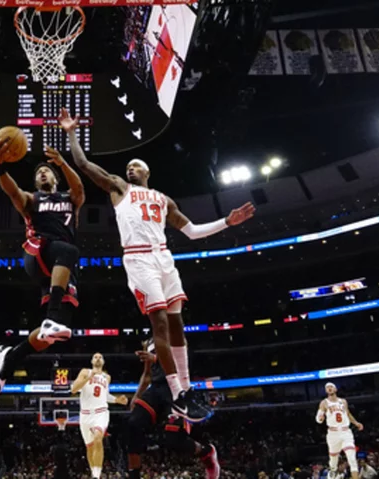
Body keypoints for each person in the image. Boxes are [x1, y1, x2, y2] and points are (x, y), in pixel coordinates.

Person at [59, 108, 254, 421]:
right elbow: (83, 165)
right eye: (128, 167)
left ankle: (187, 389)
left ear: (147, 172)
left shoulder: (164, 200)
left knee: (177, 324)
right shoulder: (120, 188)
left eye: (135, 166)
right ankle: (177, 393)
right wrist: (71, 133)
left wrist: (227, 222)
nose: (130, 169)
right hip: (138, 259)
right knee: (160, 323)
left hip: (164, 257)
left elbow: (191, 231)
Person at [0, 142, 85, 394]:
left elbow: (79, 188)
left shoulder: (69, 199)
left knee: (51, 336)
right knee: (70, 251)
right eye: (38, 172)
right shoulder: (32, 199)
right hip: (37, 252)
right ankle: (51, 318)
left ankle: (9, 360)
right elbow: (12, 191)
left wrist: (62, 162)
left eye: (46, 171)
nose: (42, 173)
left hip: (60, 268)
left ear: (55, 177)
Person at [126, 339, 219, 479]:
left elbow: (183, 364)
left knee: (173, 440)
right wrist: (137, 395)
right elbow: (147, 375)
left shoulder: (176, 335)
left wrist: (156, 358)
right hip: (156, 389)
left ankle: (207, 452)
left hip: (175, 388)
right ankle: (134, 475)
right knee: (133, 423)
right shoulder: (149, 342)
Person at [70, 353, 128, 479]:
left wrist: (118, 400)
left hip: (101, 412)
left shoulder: (107, 377)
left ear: (103, 361)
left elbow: (105, 396)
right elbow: (74, 389)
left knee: (98, 438)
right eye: (95, 357)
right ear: (91, 361)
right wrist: (89, 377)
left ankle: (96, 476)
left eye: (100, 357)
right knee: (89, 448)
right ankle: (93, 473)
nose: (97, 358)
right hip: (85, 415)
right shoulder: (85, 372)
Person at [315, 382, 364, 479]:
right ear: (326, 391)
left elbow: (348, 414)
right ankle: (332, 472)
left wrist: (356, 423)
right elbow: (318, 418)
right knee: (333, 461)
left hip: (346, 432)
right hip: (333, 434)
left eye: (331, 387)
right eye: (327, 387)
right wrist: (320, 418)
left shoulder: (343, 401)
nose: (329, 388)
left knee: (352, 458)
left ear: (335, 389)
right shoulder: (324, 403)